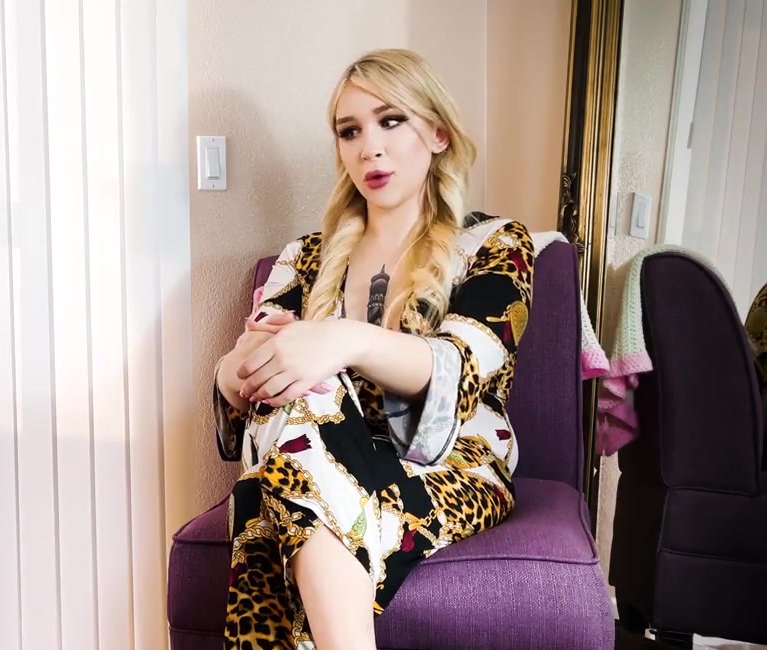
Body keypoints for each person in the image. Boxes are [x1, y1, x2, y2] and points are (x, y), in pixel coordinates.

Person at [214, 48, 533, 649]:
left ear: (438, 133)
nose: (370, 149)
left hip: (451, 464)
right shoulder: (305, 257)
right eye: (350, 131)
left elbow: (462, 366)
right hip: (311, 449)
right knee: (302, 419)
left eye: (391, 121)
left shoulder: (496, 243)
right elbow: (249, 378)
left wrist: (341, 340)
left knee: (268, 502)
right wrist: (236, 367)